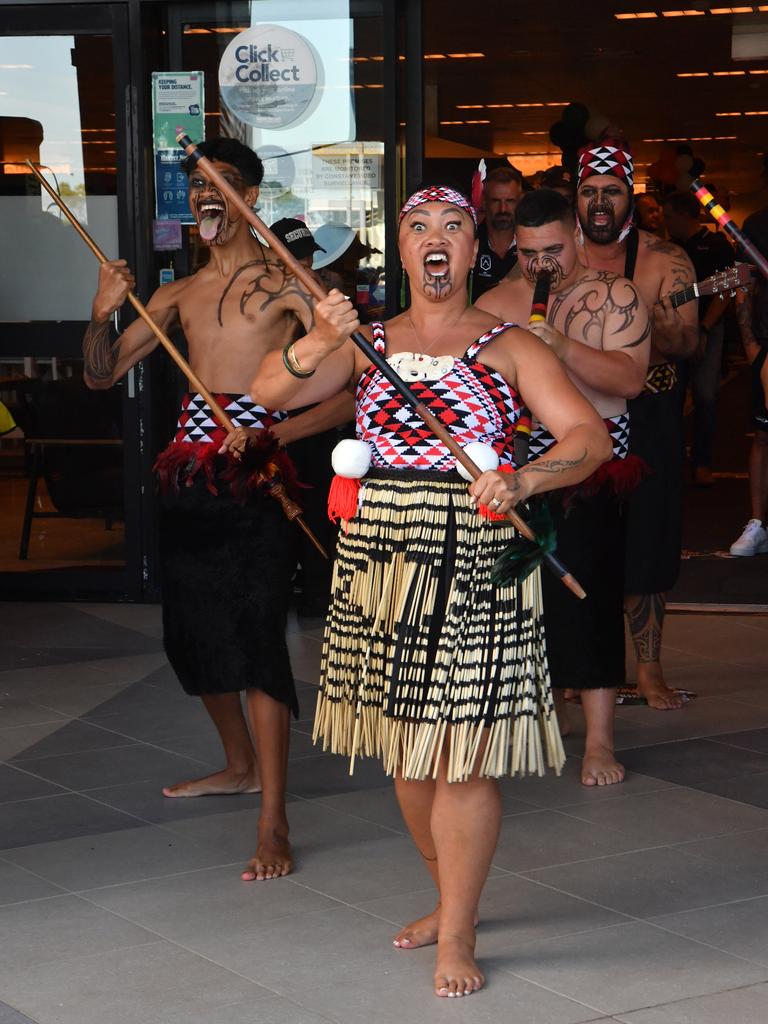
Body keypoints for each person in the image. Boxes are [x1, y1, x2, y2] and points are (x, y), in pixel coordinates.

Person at [250, 184, 611, 997]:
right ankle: (451, 900)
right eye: (420, 228)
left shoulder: (510, 345)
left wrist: (523, 477)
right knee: (407, 752)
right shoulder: (364, 340)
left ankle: (457, 931)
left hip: (476, 557)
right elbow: (270, 394)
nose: (436, 239)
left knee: (460, 757)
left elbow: (586, 437)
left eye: (454, 226)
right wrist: (315, 340)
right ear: (404, 250)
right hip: (381, 559)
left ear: (476, 248)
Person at [83, 137, 352, 881]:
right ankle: (240, 767)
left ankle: (275, 821)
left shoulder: (294, 285)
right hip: (187, 482)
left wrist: (274, 431)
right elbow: (102, 375)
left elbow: (356, 387)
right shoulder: (174, 294)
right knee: (193, 638)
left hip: (259, 481)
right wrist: (101, 311)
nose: (207, 194)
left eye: (222, 183)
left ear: (251, 200)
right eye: (197, 184)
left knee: (258, 640)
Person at [477, 189, 650, 786]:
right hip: (516, 469)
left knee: (591, 599)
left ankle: (600, 740)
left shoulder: (616, 295)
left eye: (553, 249)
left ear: (576, 235)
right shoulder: (495, 302)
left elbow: (630, 379)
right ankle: (541, 713)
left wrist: (560, 347)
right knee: (518, 603)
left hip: (593, 468)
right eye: (529, 253)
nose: (542, 265)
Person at [576, 140, 699, 712]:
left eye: (613, 192)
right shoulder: (558, 255)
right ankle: (578, 665)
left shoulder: (664, 260)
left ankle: (648, 668)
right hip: (576, 412)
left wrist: (643, 317)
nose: (600, 203)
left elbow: (687, 342)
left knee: (648, 537)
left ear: (631, 197)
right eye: (590, 191)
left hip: (648, 413)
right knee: (579, 539)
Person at [270, 216, 354, 615]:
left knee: (322, 519)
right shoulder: (263, 310)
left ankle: (323, 595)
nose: (307, 270)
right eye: (296, 261)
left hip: (316, 430)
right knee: (275, 525)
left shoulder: (324, 302)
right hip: (269, 428)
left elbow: (349, 386)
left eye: (309, 260)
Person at [662, 191, 734, 486]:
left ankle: (702, 461)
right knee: (672, 397)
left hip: (707, 327)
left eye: (668, 216)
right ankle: (673, 461)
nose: (664, 222)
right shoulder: (667, 248)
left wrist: (704, 328)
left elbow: (726, 289)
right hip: (671, 329)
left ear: (683, 214)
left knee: (704, 395)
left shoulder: (716, 245)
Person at [731, 199, 768, 556]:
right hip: (767, 346)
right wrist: (751, 345)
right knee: (762, 435)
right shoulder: (757, 224)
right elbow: (742, 282)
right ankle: (759, 523)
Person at [471, 166, 523, 299]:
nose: (503, 209)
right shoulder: (469, 242)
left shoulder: (532, 243)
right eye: (496, 201)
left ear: (520, 202)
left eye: (510, 201)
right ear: (484, 202)